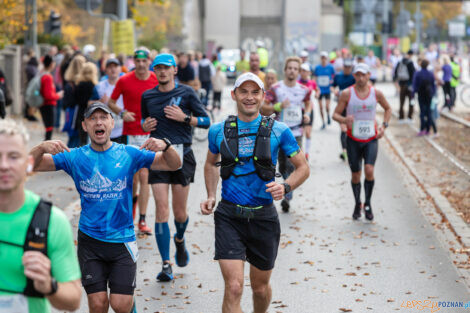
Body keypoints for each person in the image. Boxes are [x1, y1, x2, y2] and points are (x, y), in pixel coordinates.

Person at [30, 103, 182, 313]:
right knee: (98, 304)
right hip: (90, 242)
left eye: (104, 118)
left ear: (112, 124)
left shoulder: (129, 153)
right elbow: (30, 165)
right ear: (85, 125)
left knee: (120, 305)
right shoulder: (74, 156)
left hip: (122, 241)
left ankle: (128, 299)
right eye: (93, 118)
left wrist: (166, 145)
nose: (99, 122)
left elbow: (173, 164)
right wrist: (41, 147)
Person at [200, 72, 309, 313]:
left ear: (263, 96)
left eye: (255, 92)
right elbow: (210, 163)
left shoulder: (279, 130)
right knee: (235, 286)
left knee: (260, 288)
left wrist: (285, 186)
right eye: (244, 92)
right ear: (234, 94)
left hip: (263, 217)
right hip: (229, 215)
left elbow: (303, 168)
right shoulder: (217, 131)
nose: (249, 97)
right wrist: (210, 194)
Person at [141, 53, 210, 282]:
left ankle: (179, 239)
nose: (162, 72)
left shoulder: (186, 93)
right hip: (158, 156)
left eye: (166, 68)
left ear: (174, 71)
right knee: (161, 209)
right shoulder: (148, 96)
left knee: (179, 212)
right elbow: (145, 122)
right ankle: (166, 263)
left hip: (183, 154)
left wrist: (185, 118)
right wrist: (144, 125)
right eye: (158, 68)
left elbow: (206, 121)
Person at [0, 119, 82, 312]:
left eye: (13, 157)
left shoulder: (51, 221)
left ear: (28, 164)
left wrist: (49, 285)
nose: (4, 165)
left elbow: (73, 300)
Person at [108, 47, 159, 235]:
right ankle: (130, 213)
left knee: (145, 176)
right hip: (130, 134)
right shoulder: (124, 79)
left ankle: (143, 219)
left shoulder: (155, 79)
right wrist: (122, 113)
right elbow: (111, 102)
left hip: (149, 134)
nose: (141, 64)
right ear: (133, 62)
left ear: (149, 61)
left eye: (144, 61)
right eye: (137, 61)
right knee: (133, 178)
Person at [332, 63, 391, 221]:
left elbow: (388, 109)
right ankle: (357, 202)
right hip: (353, 139)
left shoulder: (376, 93)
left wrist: (384, 126)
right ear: (354, 76)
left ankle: (368, 204)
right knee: (356, 175)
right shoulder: (347, 93)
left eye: (363, 74)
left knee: (369, 170)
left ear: (368, 75)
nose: (360, 77)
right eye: (357, 74)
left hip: (371, 139)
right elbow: (335, 115)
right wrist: (345, 119)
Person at [262, 57, 312, 212]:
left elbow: (308, 102)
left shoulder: (303, 89)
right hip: (278, 132)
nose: (292, 70)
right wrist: (278, 106)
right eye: (289, 68)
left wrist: (307, 114)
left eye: (295, 68)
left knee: (293, 164)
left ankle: (287, 192)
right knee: (282, 165)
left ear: (298, 71)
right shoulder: (276, 88)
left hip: (296, 132)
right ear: (285, 70)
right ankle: (286, 184)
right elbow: (263, 107)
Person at [89, 58, 126, 144]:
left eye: (115, 66)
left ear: (120, 69)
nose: (113, 69)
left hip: (123, 128)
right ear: (105, 70)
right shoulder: (99, 86)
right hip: (105, 129)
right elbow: (89, 104)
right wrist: (99, 102)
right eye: (110, 67)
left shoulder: (126, 84)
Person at [332, 59, 355, 161]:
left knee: (350, 129)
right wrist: (335, 91)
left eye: (349, 67)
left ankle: (352, 150)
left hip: (352, 107)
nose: (347, 69)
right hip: (341, 106)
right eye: (345, 67)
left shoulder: (354, 77)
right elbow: (332, 87)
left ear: (351, 68)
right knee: (343, 129)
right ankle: (345, 151)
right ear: (343, 67)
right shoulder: (338, 76)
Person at [63, 54, 86, 148]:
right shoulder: (81, 83)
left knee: (72, 137)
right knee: (77, 140)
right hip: (77, 113)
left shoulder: (69, 83)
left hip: (70, 112)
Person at [39, 55, 64, 141]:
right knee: (49, 129)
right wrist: (58, 95)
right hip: (48, 105)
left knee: (48, 129)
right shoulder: (48, 77)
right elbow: (48, 95)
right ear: (51, 64)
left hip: (45, 104)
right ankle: (45, 149)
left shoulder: (42, 74)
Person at [74, 62, 99, 146]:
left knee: (82, 140)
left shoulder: (78, 84)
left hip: (80, 114)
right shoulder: (93, 86)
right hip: (91, 115)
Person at [297, 63, 318, 160]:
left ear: (309, 72)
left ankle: (307, 153)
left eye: (306, 71)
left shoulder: (312, 83)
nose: (304, 73)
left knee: (308, 133)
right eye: (302, 70)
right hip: (299, 110)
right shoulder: (297, 82)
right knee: (300, 133)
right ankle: (300, 153)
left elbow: (317, 90)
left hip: (309, 110)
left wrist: (317, 94)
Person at [412, 59, 437, 137]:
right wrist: (433, 93)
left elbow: (414, 84)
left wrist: (413, 94)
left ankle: (422, 129)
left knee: (422, 112)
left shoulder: (417, 73)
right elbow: (433, 84)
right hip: (429, 95)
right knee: (429, 112)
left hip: (421, 94)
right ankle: (428, 129)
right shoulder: (430, 73)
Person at [314, 51, 334, 129]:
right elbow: (315, 77)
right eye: (322, 58)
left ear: (327, 58)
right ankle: (323, 122)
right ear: (320, 58)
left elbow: (333, 76)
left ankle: (328, 115)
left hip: (327, 89)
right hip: (320, 90)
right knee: (320, 107)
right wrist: (316, 86)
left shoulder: (330, 67)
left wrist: (332, 81)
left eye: (324, 58)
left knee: (327, 106)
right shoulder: (317, 68)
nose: (323, 59)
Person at [394, 50, 416, 122]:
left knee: (401, 102)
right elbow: (413, 74)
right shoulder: (410, 63)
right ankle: (410, 117)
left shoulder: (399, 62)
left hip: (402, 84)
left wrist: (397, 84)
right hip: (409, 85)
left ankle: (401, 117)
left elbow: (395, 74)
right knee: (411, 102)